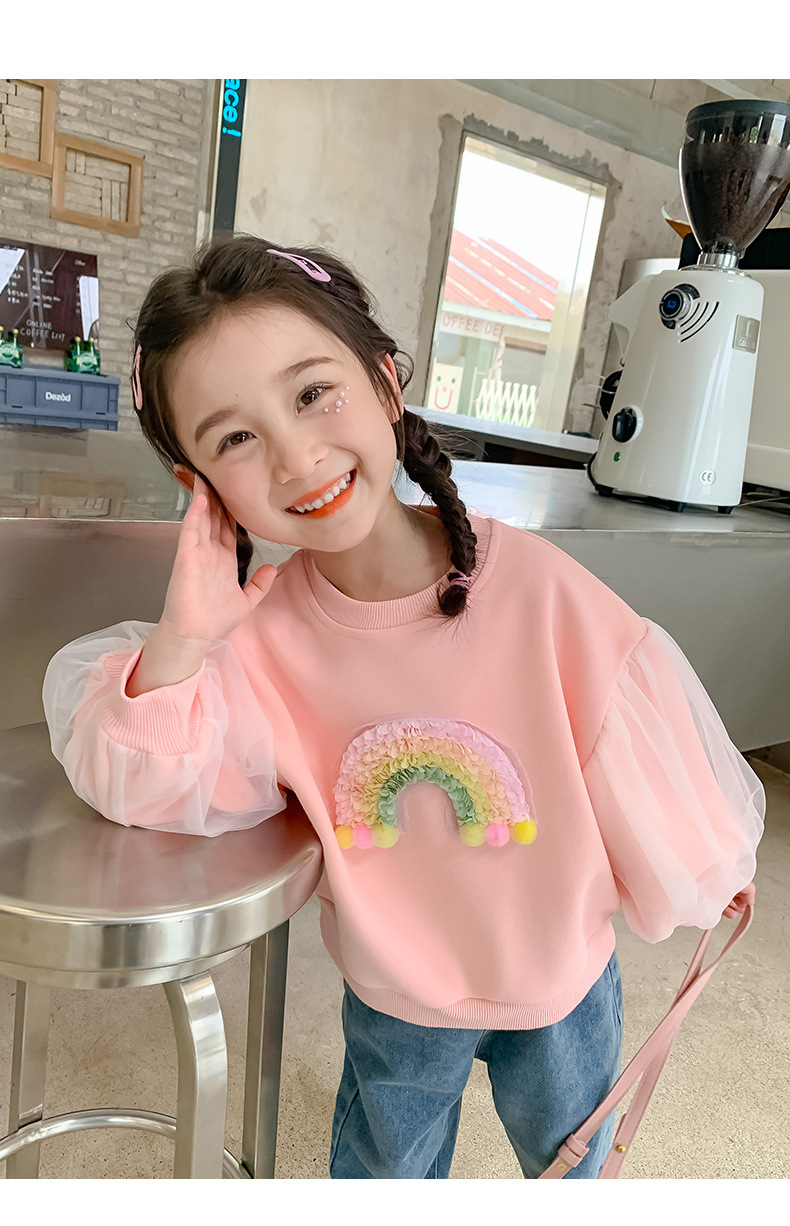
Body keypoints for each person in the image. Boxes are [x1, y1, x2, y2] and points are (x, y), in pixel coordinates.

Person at [42, 235, 764, 1180]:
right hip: (398, 997)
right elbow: (136, 777)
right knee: (383, 1177)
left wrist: (703, 864)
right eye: (235, 439)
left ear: (386, 385)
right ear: (203, 488)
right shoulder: (254, 645)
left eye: (313, 393)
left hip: (561, 976)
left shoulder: (539, 589)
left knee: (574, 1171)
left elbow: (629, 730)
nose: (297, 456)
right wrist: (185, 633)